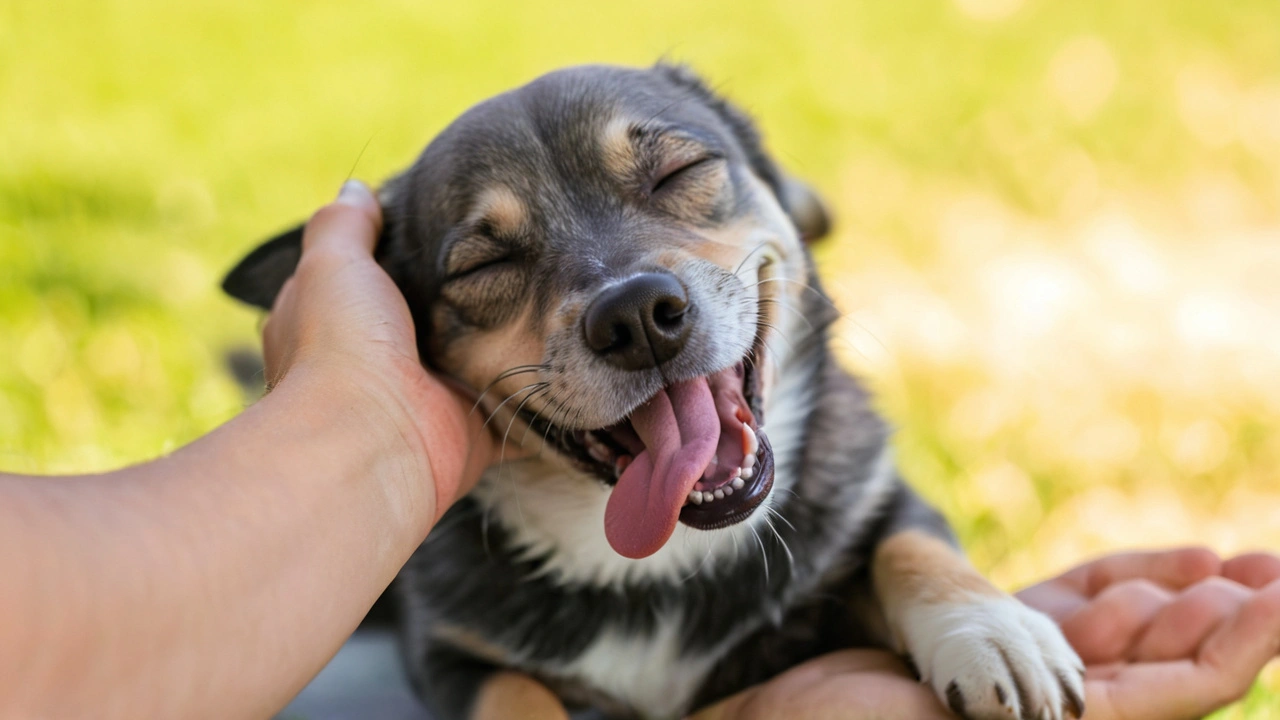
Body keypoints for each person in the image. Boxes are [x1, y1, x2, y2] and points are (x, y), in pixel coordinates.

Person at [2, 180, 1277, 720]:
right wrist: (350, 440)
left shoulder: (839, 472)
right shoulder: (438, 558)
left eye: (674, 180)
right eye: (491, 260)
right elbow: (455, 654)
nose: (634, 293)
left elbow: (884, 530)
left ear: (788, 206)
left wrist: (933, 592)